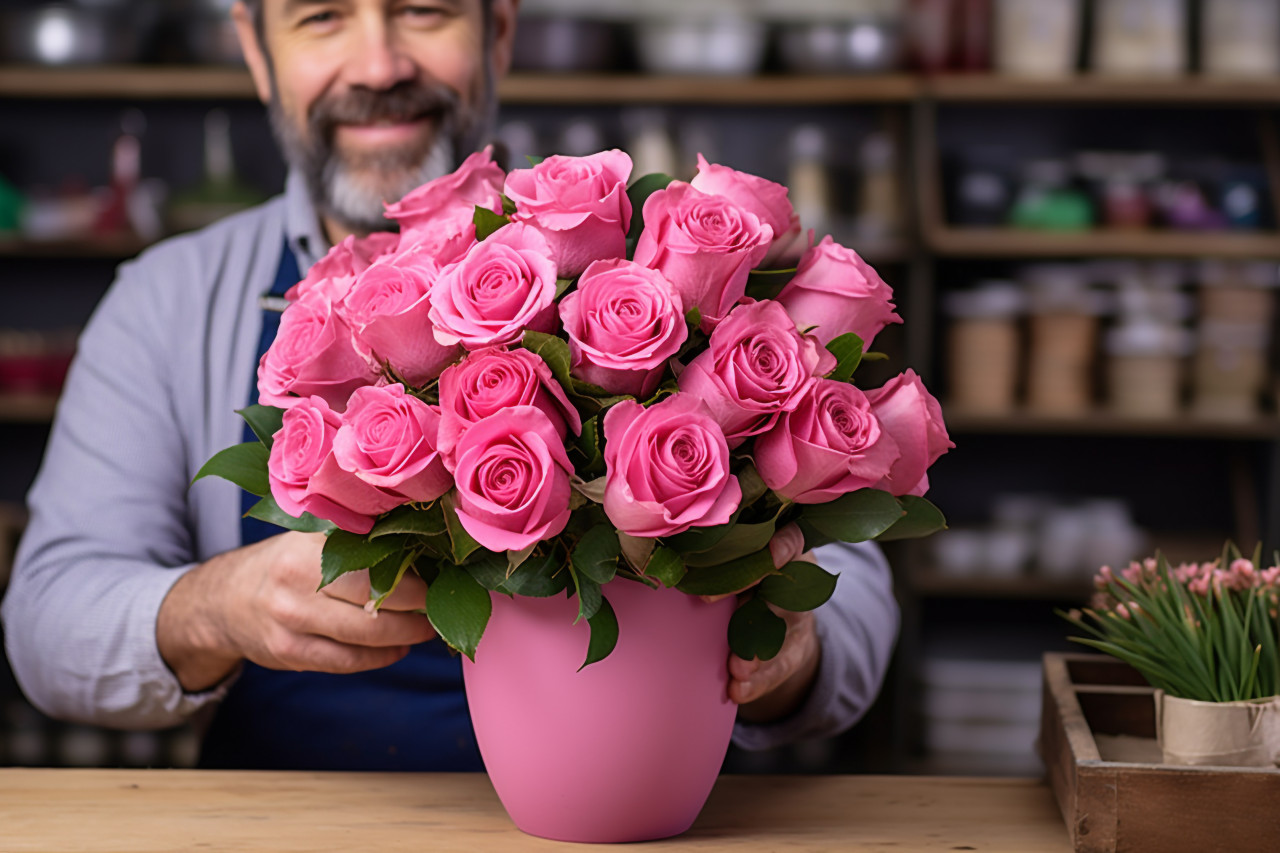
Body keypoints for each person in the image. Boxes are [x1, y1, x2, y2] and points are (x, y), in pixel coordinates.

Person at [1, 0, 899, 771]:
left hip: (631, 821)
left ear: (498, 29)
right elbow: (45, 621)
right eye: (321, 15)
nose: (380, 63)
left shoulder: (640, 264)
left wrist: (790, 650)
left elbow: (854, 610)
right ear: (255, 48)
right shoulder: (167, 300)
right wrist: (213, 608)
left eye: (423, 9)